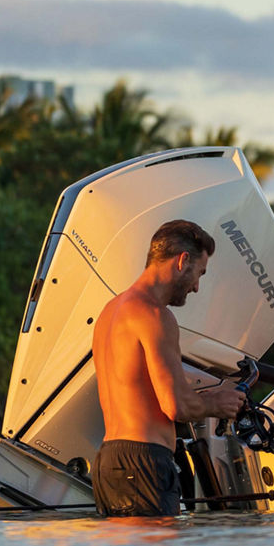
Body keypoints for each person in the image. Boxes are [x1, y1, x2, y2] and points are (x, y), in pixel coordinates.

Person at [91, 219, 246, 517]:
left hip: (109, 460)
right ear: (183, 260)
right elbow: (175, 406)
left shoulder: (111, 310)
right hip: (144, 462)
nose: (197, 287)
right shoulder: (154, 315)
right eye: (199, 274)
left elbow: (138, 384)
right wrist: (218, 402)